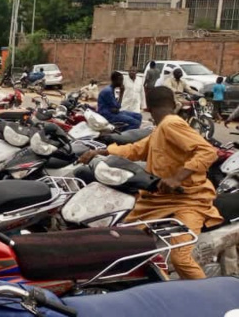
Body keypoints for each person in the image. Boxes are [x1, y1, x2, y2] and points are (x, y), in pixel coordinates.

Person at [79, 86, 222, 280]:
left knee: (180, 257)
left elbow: (207, 151)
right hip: (157, 200)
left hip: (188, 200)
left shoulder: (171, 123)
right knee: (127, 242)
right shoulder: (160, 129)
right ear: (173, 104)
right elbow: (135, 149)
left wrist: (176, 178)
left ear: (147, 107)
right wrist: (100, 152)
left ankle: (210, 301)